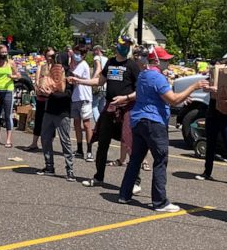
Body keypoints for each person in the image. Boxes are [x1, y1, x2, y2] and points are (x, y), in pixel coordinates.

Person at [116, 47, 208, 209]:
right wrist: (193, 87)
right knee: (160, 160)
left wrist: (182, 99)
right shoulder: (156, 77)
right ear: (157, 61)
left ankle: (124, 194)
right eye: (166, 60)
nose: (169, 62)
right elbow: (172, 99)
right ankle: (159, 201)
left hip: (139, 121)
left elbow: (157, 97)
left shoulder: (144, 74)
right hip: (153, 122)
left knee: (136, 159)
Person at [79, 36, 141, 189]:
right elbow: (99, 81)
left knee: (129, 144)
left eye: (128, 45)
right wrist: (80, 81)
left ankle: (135, 181)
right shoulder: (110, 62)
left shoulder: (132, 66)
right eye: (123, 44)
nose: (126, 47)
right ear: (117, 46)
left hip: (126, 108)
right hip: (110, 108)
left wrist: (125, 98)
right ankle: (98, 177)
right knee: (102, 143)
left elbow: (141, 91)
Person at [36, 56, 76, 181]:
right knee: (45, 138)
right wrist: (40, 89)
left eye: (57, 61)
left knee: (65, 142)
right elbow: (43, 85)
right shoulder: (49, 72)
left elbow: (67, 95)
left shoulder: (69, 75)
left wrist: (51, 94)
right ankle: (49, 167)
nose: (55, 64)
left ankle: (70, 171)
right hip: (49, 111)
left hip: (63, 113)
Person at [27, 48, 57, 152]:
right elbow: (37, 81)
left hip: (52, 97)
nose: (50, 58)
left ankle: (49, 145)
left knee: (51, 122)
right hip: (41, 97)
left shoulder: (56, 67)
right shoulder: (41, 66)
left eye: (52, 55)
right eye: (48, 55)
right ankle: (34, 143)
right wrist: (39, 88)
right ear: (45, 56)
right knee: (39, 120)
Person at [0, 44, 20, 148]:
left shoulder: (11, 63)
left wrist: (13, 76)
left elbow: (18, 75)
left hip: (8, 90)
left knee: (8, 115)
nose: (4, 54)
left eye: (5, 52)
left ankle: (8, 139)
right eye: (2, 52)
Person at [70, 45, 94, 160]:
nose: (76, 55)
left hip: (84, 97)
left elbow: (73, 77)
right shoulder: (78, 65)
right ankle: (80, 149)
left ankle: (89, 150)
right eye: (75, 53)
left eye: (77, 53)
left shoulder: (83, 65)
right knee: (76, 124)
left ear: (83, 55)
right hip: (76, 97)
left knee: (86, 124)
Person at [91, 45, 108, 123]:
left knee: (94, 106)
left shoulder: (97, 58)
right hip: (105, 86)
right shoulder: (107, 59)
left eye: (94, 50)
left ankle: (98, 124)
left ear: (98, 50)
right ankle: (103, 123)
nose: (93, 52)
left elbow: (98, 69)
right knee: (101, 107)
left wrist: (92, 80)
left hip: (98, 85)